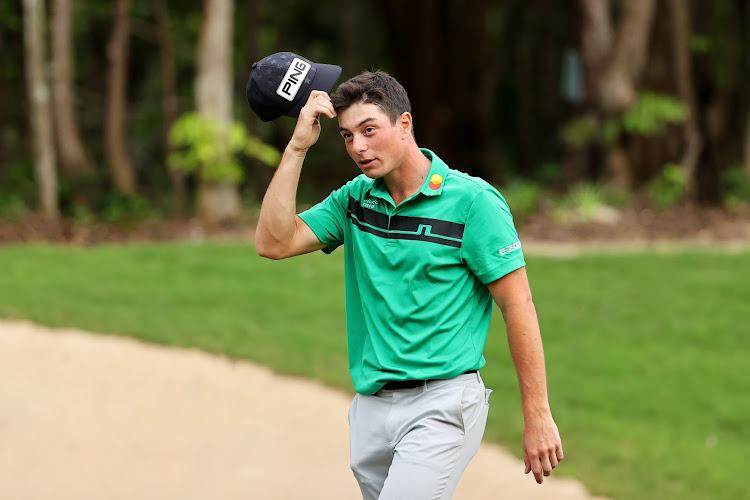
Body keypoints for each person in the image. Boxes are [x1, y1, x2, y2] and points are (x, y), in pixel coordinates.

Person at [254, 69, 563, 500]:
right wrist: (297, 147)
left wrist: (537, 413)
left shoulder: (473, 203)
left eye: (369, 130)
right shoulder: (355, 199)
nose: (358, 147)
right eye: (346, 136)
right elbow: (273, 241)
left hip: (443, 404)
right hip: (371, 409)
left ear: (404, 124)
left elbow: (519, 306)